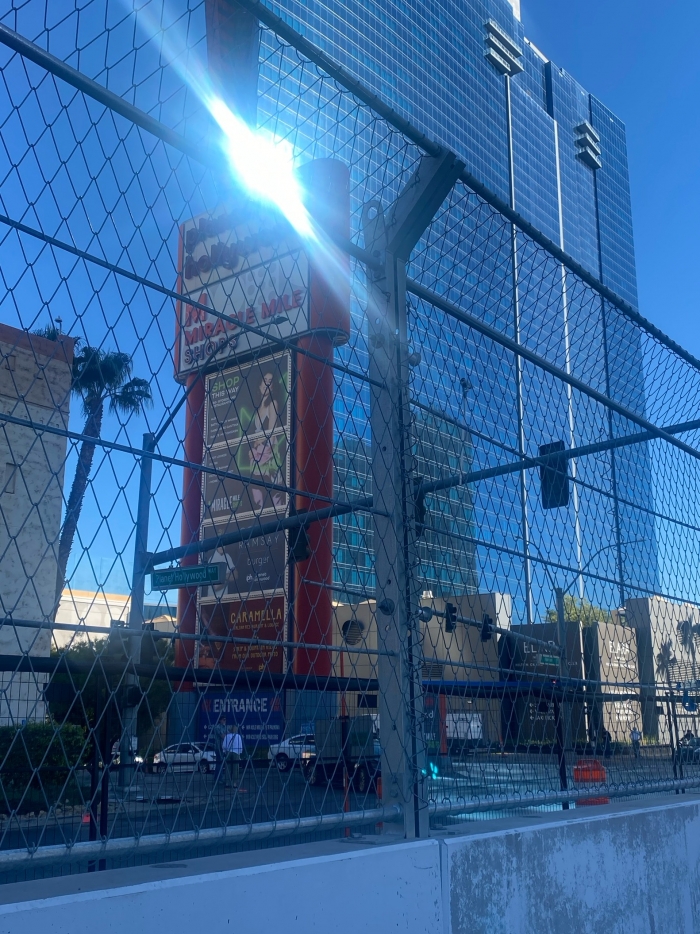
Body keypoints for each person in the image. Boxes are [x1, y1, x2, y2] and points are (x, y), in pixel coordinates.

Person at [210, 715, 228, 784]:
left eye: (225, 719)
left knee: (221, 763)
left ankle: (217, 778)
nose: (224, 721)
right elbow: (223, 736)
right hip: (219, 747)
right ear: (220, 720)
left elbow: (229, 735)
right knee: (219, 763)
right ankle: (219, 778)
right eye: (223, 719)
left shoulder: (225, 727)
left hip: (224, 747)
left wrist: (227, 735)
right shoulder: (217, 727)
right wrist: (226, 735)